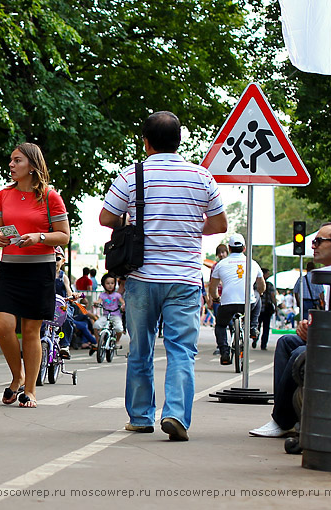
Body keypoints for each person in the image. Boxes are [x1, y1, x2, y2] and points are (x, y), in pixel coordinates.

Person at [99, 111, 227, 441]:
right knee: (182, 351)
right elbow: (219, 225)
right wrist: (188, 227)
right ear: (179, 140)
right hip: (185, 279)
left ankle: (141, 416)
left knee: (140, 348)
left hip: (142, 278)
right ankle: (176, 415)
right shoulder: (202, 177)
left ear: (146, 142)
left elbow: (105, 217)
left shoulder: (131, 175)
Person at [250, 222, 331, 437]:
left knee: (299, 354)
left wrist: (317, 333)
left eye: (318, 241)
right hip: (330, 340)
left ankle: (282, 420)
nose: (313, 246)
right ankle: (284, 419)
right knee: (286, 342)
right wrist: (309, 326)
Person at [0, 142, 70, 408]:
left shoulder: (50, 197)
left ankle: (31, 389)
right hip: (10, 267)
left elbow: (64, 236)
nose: (11, 165)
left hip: (39, 268)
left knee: (30, 331)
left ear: (32, 166)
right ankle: (17, 377)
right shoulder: (3, 195)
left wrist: (40, 236)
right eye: (11, 160)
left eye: (17, 161)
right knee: (2, 325)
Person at [208, 233, 265, 365]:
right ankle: (252, 327)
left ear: (229, 248)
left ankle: (224, 352)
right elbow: (262, 285)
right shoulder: (253, 263)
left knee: (221, 326)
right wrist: (260, 293)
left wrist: (216, 298)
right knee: (257, 297)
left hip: (227, 303)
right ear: (244, 248)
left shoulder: (220, 265)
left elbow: (212, 287)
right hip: (247, 303)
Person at [55, 246, 80, 359]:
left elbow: (69, 291)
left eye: (57, 258)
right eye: (50, 258)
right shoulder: (45, 276)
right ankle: (38, 342)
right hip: (47, 304)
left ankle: (65, 345)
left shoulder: (63, 277)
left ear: (63, 261)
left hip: (61, 305)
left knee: (67, 318)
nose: (54, 261)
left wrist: (72, 296)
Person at [93, 273, 125, 344]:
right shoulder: (102, 295)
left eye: (112, 283)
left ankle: (117, 341)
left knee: (119, 328)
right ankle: (98, 343)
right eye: (107, 283)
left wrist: (123, 305)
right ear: (104, 284)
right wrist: (96, 303)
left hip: (116, 315)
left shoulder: (117, 295)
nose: (110, 285)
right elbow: (99, 301)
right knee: (96, 325)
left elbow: (122, 302)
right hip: (105, 316)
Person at [257, 267, 277, 350]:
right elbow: (273, 296)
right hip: (266, 309)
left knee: (257, 325)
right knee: (266, 327)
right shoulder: (269, 285)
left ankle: (255, 338)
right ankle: (263, 344)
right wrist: (275, 305)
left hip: (258, 308)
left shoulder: (255, 284)